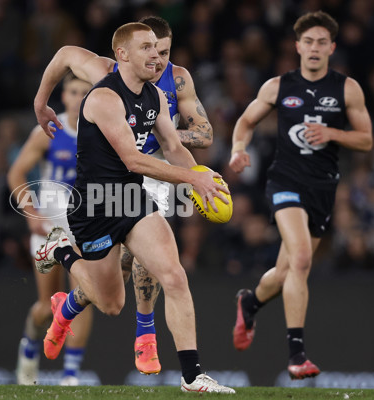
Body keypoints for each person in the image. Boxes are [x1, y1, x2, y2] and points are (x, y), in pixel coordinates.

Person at [34, 22, 234, 394]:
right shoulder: (104, 97)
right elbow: (132, 159)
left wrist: (201, 178)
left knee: (174, 276)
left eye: (160, 51)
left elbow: (173, 146)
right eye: (147, 49)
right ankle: (60, 249)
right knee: (111, 304)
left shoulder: (156, 95)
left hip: (132, 197)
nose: (157, 58)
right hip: (94, 206)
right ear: (122, 54)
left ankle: (192, 376)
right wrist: (40, 102)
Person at [228, 11, 372, 379]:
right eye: (308, 42)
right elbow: (245, 121)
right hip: (285, 183)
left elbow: (366, 139)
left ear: (332, 48)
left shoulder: (347, 88)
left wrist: (333, 134)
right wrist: (237, 149)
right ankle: (296, 355)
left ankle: (250, 302)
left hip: (322, 189)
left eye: (322, 42)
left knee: (284, 271)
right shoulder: (279, 86)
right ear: (297, 47)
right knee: (303, 258)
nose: (314, 48)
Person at [8, 73, 94, 386]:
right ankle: (29, 347)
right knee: (47, 305)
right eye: (73, 91)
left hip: (85, 229)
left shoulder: (102, 133)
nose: (79, 97)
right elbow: (16, 173)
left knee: (83, 296)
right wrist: (30, 212)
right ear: (65, 97)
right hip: (49, 231)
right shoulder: (49, 130)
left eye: (86, 92)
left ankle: (70, 374)